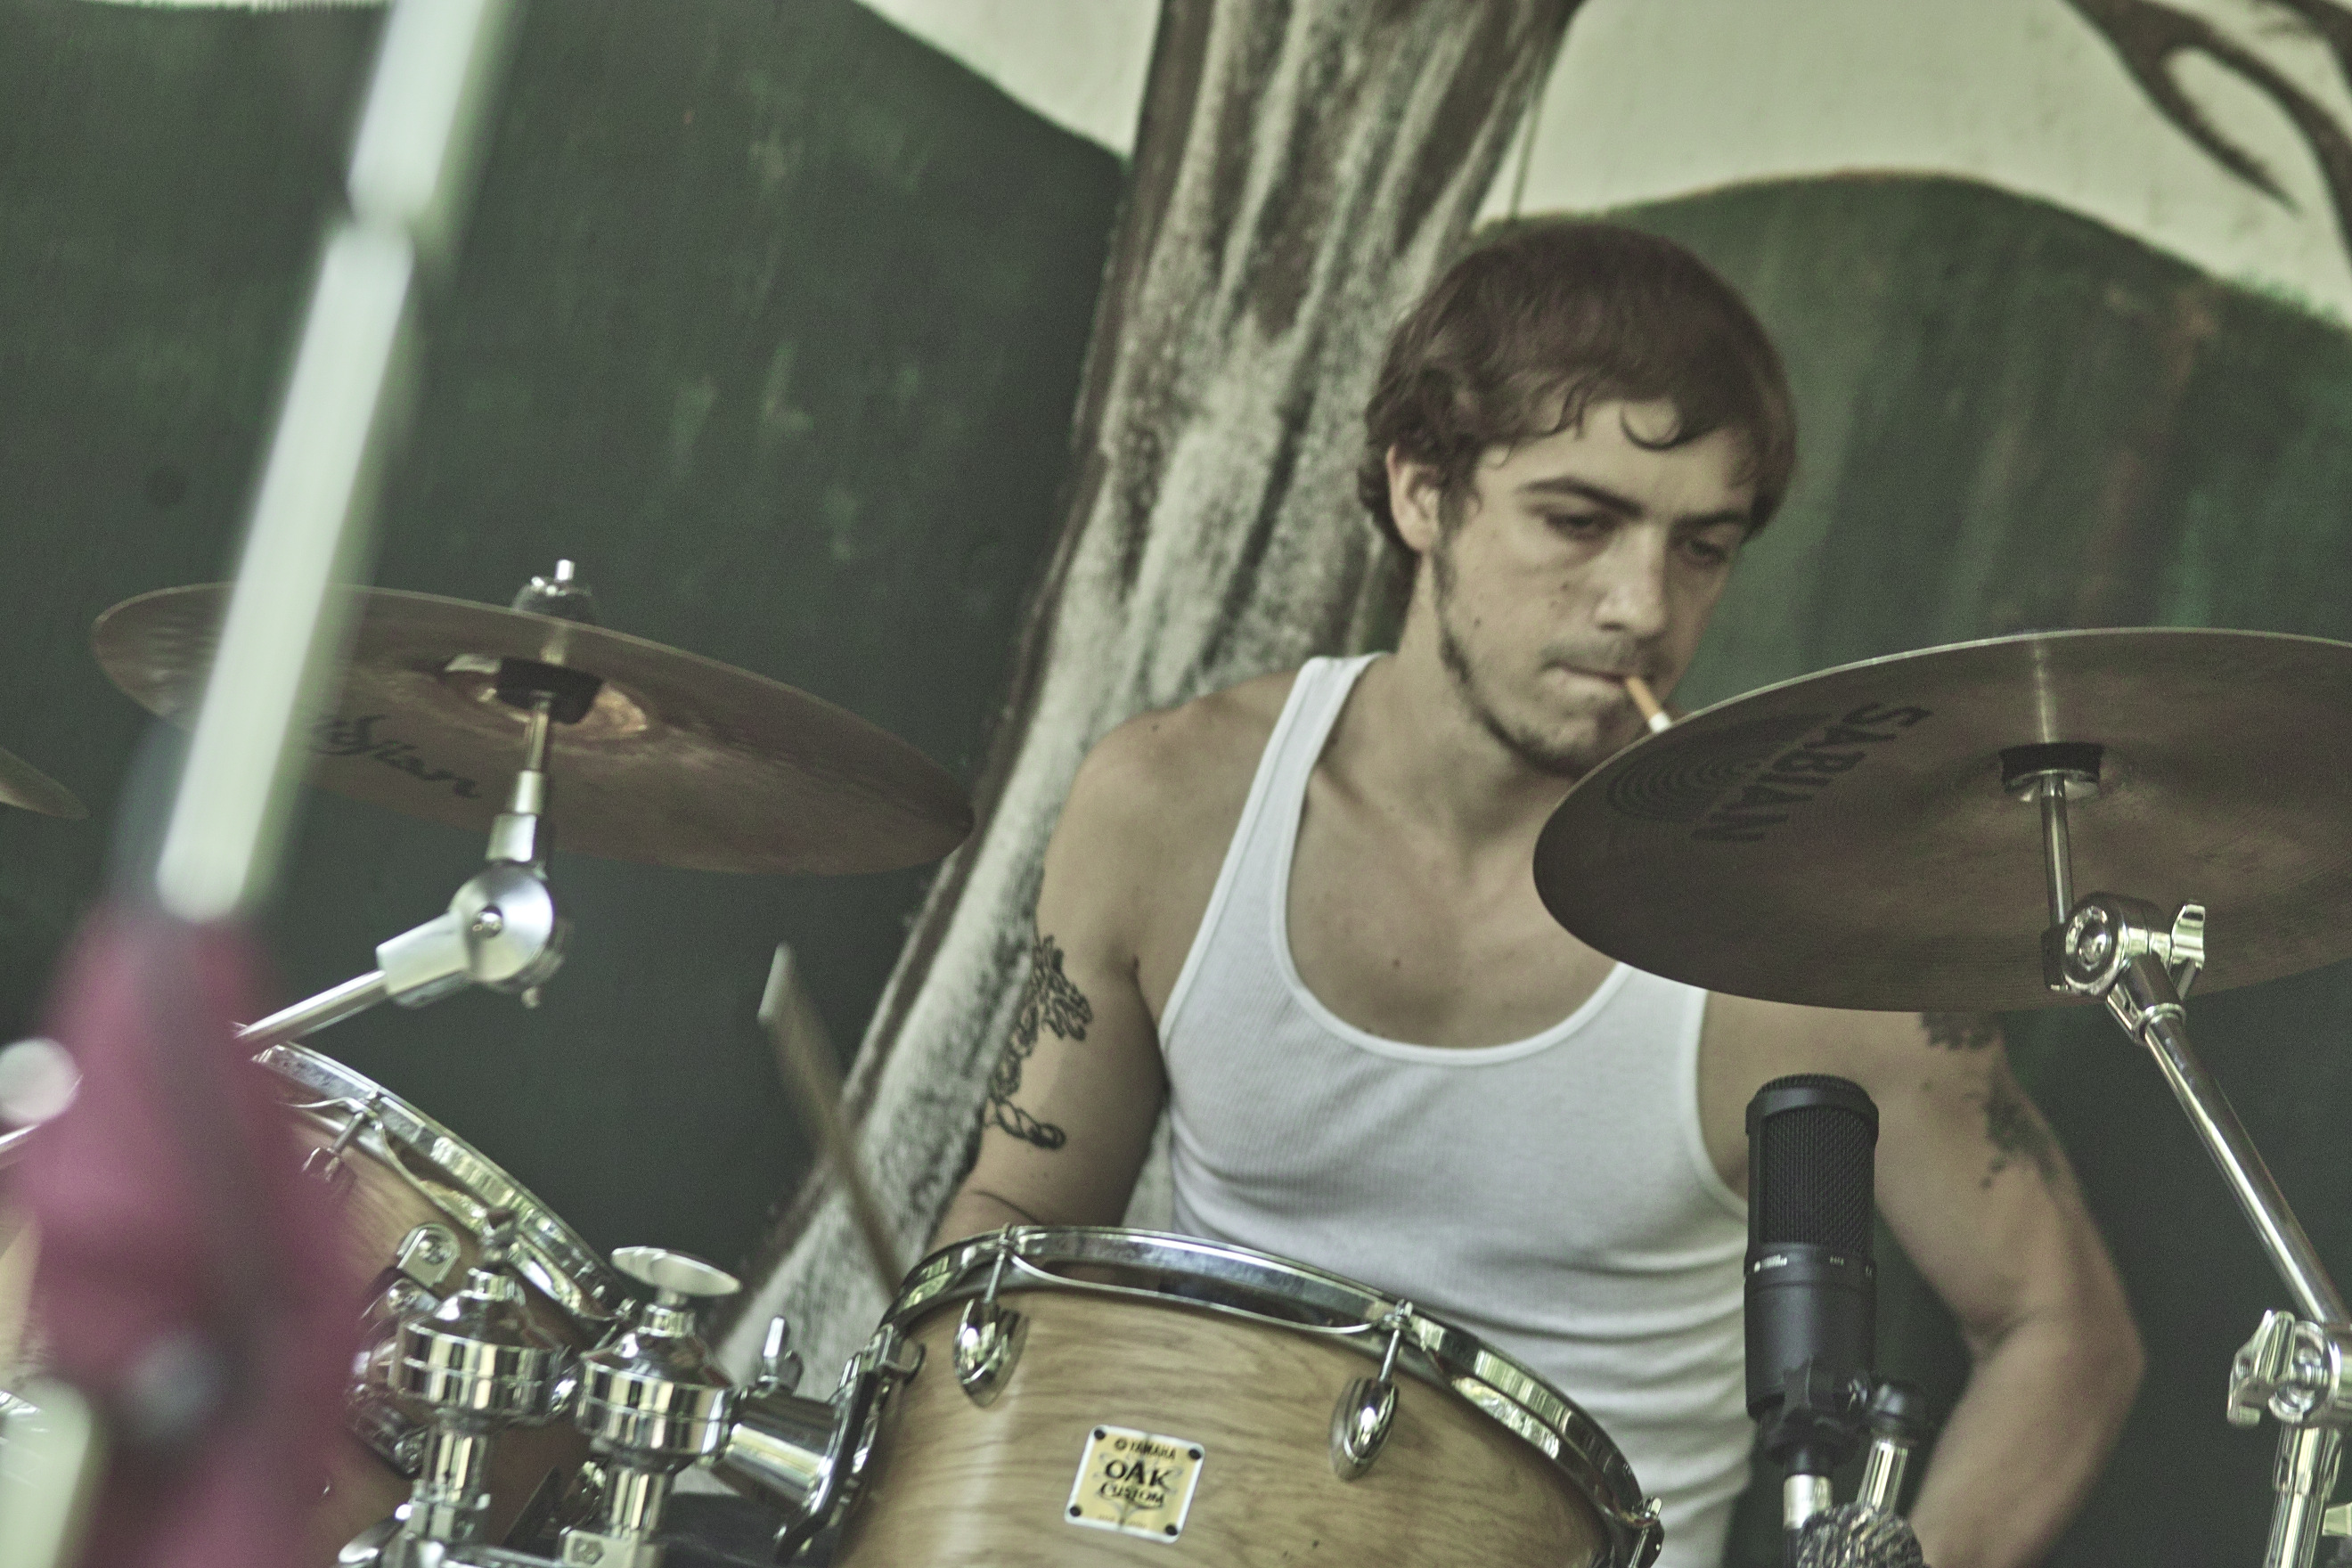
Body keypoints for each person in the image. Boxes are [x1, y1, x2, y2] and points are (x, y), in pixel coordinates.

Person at [932, 223, 2141, 1568]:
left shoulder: (1794, 940)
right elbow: (1016, 1222)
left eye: (1702, 547)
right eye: (1578, 521)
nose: (1641, 606)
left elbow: (2061, 1331)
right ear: (1422, 492)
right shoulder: (1170, 808)